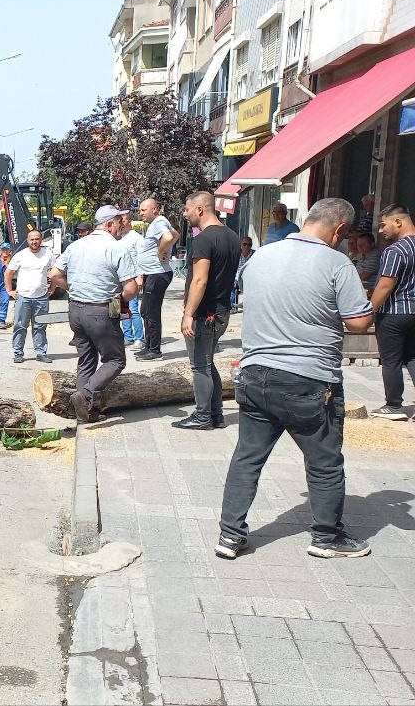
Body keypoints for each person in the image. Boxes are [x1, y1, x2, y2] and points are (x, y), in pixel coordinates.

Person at [216, 198, 375, 560]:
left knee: (247, 457)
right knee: (324, 461)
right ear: (338, 230)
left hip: (254, 374)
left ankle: (229, 535)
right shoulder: (337, 263)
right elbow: (359, 322)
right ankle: (327, 537)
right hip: (309, 380)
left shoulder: (261, 256)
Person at [49, 205, 139, 423]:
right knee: (115, 360)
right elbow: (131, 289)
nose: (122, 225)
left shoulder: (76, 245)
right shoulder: (117, 248)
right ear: (109, 224)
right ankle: (85, 394)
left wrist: (74, 288)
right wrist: (117, 303)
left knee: (87, 359)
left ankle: (84, 413)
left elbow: (54, 274)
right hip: (101, 310)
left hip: (76, 310)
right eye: (119, 221)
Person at [174, 191, 241, 430]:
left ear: (200, 209)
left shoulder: (204, 239)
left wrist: (188, 314)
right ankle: (216, 414)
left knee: (200, 366)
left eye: (186, 209)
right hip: (222, 309)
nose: (185, 214)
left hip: (206, 314)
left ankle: (203, 416)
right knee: (207, 363)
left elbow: (199, 281)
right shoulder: (232, 236)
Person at [368, 204, 415, 420]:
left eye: (382, 225)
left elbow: (385, 285)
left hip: (395, 312)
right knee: (413, 357)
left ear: (399, 222)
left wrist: (370, 310)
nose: (380, 231)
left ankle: (394, 405)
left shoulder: (394, 251)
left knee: (391, 360)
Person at [135, 198, 178, 361]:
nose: (140, 213)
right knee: (145, 311)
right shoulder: (157, 223)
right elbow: (175, 235)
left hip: (157, 273)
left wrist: (162, 252)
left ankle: (154, 350)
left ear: (154, 209)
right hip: (151, 273)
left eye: (143, 210)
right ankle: (149, 345)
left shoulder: (159, 221)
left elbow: (168, 237)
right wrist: (165, 249)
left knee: (151, 312)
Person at [6, 229, 56, 364]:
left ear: (41, 240)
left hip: (41, 298)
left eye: (37, 239)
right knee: (20, 326)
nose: (34, 242)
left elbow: (55, 272)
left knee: (40, 326)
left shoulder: (48, 254)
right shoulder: (20, 255)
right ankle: (18, 353)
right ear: (27, 240)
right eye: (31, 239)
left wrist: (52, 287)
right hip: (23, 297)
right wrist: (10, 290)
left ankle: (40, 353)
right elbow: (9, 273)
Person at [115, 211, 146, 350]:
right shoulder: (118, 237)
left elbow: (141, 258)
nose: (122, 223)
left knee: (133, 309)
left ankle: (140, 338)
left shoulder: (137, 238)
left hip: (132, 278)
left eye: (124, 220)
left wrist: (140, 277)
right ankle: (128, 336)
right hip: (119, 278)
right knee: (122, 309)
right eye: (120, 220)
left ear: (130, 221)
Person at [232, 237, 254, 311]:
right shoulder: (236, 254)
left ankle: (247, 303)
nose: (247, 246)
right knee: (230, 283)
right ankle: (232, 307)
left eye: (249, 245)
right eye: (244, 244)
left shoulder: (255, 255)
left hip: (249, 278)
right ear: (241, 245)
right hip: (237, 277)